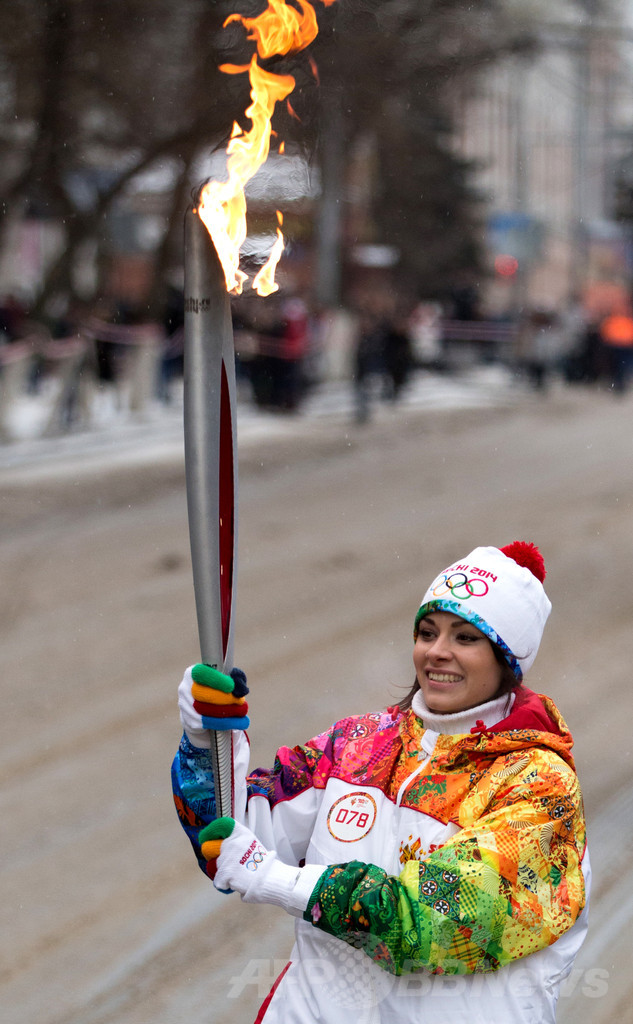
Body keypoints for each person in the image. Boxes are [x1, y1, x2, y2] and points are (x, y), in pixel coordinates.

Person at [172, 541, 590, 1023]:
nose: (436, 652)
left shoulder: (537, 784)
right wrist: (206, 742)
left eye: (465, 638)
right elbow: (230, 838)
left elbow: (434, 927)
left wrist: (278, 880)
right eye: (427, 632)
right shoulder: (356, 744)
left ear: (507, 659)